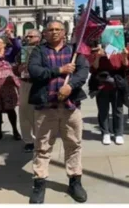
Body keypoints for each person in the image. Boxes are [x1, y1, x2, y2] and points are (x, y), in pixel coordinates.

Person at [28, 21, 89, 204]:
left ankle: (75, 181)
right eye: (50, 30)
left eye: (58, 29)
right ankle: (39, 183)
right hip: (46, 106)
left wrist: (70, 86)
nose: (54, 32)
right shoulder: (39, 51)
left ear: (64, 32)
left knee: (73, 144)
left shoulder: (74, 51)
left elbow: (83, 71)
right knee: (42, 146)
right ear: (45, 33)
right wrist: (59, 70)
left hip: (70, 106)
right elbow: (34, 71)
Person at [90, 44, 129, 145]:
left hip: (117, 85)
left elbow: (125, 67)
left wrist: (124, 56)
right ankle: (105, 132)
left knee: (118, 110)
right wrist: (98, 56)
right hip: (102, 86)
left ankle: (118, 133)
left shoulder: (119, 50)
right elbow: (93, 68)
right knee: (103, 110)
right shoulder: (98, 51)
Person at [16, 29, 41, 152]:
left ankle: (40, 138)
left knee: (39, 113)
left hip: (39, 83)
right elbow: (16, 66)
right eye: (27, 36)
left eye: (31, 36)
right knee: (24, 112)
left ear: (38, 37)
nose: (27, 38)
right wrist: (18, 68)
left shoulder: (44, 49)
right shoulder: (23, 51)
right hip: (26, 82)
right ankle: (28, 140)